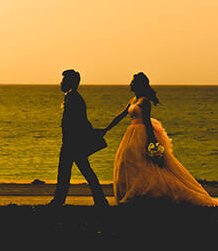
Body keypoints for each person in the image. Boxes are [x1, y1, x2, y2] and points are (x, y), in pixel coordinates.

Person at [102, 72, 217, 206]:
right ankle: (132, 191)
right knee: (127, 162)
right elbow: (120, 116)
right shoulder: (132, 100)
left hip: (142, 134)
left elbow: (147, 123)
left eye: (133, 82)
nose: (130, 84)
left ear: (139, 84)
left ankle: (144, 192)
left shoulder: (145, 102)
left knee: (144, 163)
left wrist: (151, 142)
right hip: (131, 133)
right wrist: (105, 129)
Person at [47, 69, 109, 207]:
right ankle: (100, 200)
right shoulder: (71, 97)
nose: (61, 82)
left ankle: (59, 201)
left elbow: (78, 122)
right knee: (80, 172)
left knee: (67, 173)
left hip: (72, 143)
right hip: (72, 142)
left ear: (69, 82)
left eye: (63, 80)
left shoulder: (73, 98)